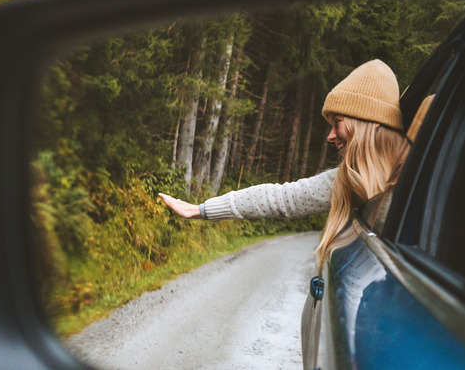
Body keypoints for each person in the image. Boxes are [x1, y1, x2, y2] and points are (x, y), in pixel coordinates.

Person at [159, 59, 410, 269]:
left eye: (338, 122)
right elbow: (280, 198)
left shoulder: (413, 182)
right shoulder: (347, 179)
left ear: (368, 122)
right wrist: (202, 210)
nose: (330, 135)